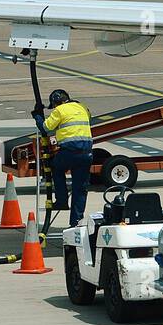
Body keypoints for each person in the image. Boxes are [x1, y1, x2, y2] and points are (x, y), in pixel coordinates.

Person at [33, 89, 93, 228]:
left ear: (56, 102)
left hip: (70, 152)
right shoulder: (82, 107)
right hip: (87, 153)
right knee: (80, 188)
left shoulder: (59, 110)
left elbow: (45, 128)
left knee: (55, 168)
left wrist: (37, 116)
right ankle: (76, 222)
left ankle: (61, 200)